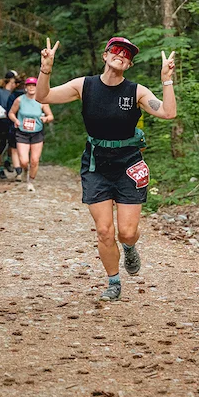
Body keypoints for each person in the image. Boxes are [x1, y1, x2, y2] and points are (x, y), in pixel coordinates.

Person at [35, 36, 176, 302]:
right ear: (105, 55)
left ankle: (130, 246)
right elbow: (43, 96)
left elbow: (168, 112)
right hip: (96, 163)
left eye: (127, 54)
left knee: (127, 231)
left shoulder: (136, 92)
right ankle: (113, 281)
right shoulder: (84, 86)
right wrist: (46, 69)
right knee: (104, 230)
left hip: (129, 164)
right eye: (116, 50)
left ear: (129, 64)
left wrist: (166, 79)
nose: (120, 55)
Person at [8, 76, 53, 192]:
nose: (31, 88)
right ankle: (24, 170)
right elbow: (11, 113)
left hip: (37, 133)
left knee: (34, 160)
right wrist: (16, 120)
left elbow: (50, 116)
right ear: (25, 87)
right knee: (24, 161)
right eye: (29, 85)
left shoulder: (42, 100)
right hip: (22, 132)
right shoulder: (19, 100)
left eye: (34, 85)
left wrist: (46, 119)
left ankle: (30, 182)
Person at [0, 72, 21, 179]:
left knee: (12, 143)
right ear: (11, 80)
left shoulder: (15, 93)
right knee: (0, 144)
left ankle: (8, 161)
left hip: (10, 121)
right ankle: (0, 168)